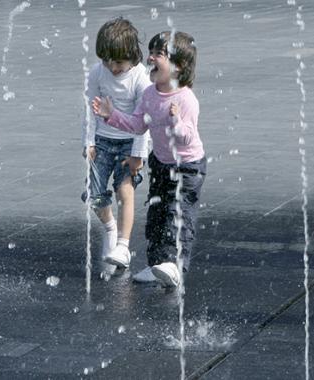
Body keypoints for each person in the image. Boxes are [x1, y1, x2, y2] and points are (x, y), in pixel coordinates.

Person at [92, 31, 206, 287]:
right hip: (162, 163)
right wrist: (111, 116)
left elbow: (187, 138)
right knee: (156, 215)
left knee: (177, 215)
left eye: (159, 54)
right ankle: (157, 265)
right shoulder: (150, 94)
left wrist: (175, 122)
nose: (150, 57)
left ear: (179, 66)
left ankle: (175, 265)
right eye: (151, 52)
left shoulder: (186, 99)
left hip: (187, 167)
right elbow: (137, 125)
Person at [81, 17, 150, 273]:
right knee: (94, 195)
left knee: (125, 191)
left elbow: (145, 120)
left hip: (129, 143)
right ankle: (110, 226)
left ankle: (123, 245)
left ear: (132, 55)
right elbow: (89, 108)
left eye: (118, 62)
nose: (112, 67)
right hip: (102, 141)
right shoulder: (97, 72)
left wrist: (138, 154)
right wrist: (88, 141)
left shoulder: (140, 78)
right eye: (106, 60)